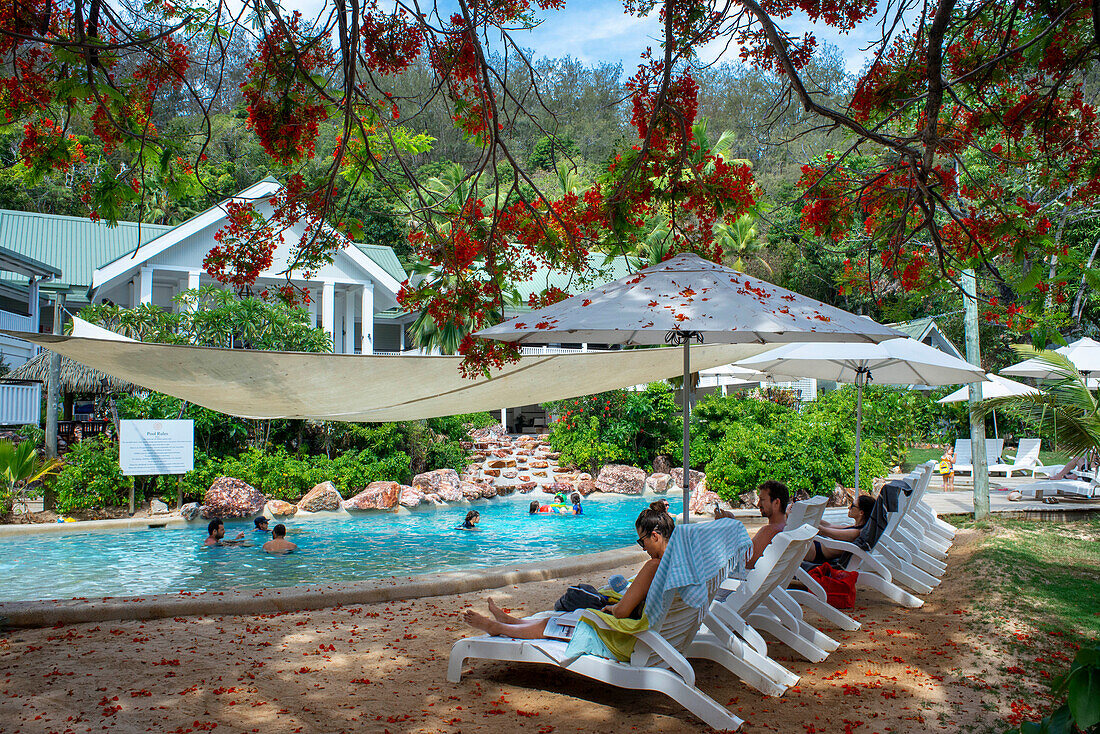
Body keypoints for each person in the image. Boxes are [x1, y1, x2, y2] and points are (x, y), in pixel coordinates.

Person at [462, 507, 672, 638]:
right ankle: (512, 622)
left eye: (641, 541)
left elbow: (622, 613)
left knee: (552, 624)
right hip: (661, 629)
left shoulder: (654, 566)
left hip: (628, 632)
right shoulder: (677, 563)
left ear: (654, 536)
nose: (643, 548)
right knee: (564, 616)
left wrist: (612, 608)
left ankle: (496, 627)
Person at [715, 479, 789, 569]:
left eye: (762, 500)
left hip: (747, 580)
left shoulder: (769, 531)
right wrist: (732, 523)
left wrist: (725, 526)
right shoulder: (786, 528)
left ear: (776, 502)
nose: (758, 504)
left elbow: (745, 561)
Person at [803, 494, 875, 563]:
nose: (848, 507)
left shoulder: (855, 533)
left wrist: (803, 518)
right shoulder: (856, 527)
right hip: (816, 547)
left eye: (852, 505)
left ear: (861, 512)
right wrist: (808, 516)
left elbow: (823, 531)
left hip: (816, 552)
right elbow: (828, 525)